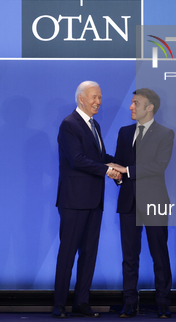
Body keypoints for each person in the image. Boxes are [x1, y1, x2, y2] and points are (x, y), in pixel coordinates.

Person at [53, 81, 122, 318]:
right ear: (81, 98)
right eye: (94, 97)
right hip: (73, 201)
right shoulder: (69, 124)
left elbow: (100, 157)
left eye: (100, 98)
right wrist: (107, 170)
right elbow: (77, 159)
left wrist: (120, 167)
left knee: (89, 253)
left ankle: (81, 302)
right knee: (68, 253)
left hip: (94, 200)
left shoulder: (95, 125)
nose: (98, 102)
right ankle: (59, 304)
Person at [111, 89, 174, 319]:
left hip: (155, 201)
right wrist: (115, 173)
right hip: (128, 202)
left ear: (150, 108)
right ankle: (129, 302)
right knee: (129, 255)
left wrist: (126, 171)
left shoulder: (166, 133)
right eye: (131, 102)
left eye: (136, 103)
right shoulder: (124, 132)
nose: (131, 107)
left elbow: (158, 166)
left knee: (160, 254)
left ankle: (163, 303)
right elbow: (119, 163)